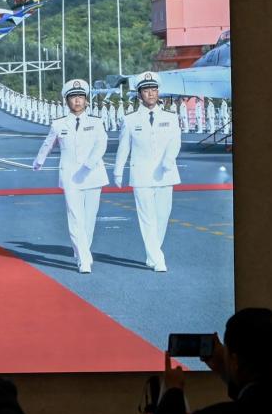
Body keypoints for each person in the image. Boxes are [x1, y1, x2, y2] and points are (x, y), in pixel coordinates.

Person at [32, 78, 108, 273]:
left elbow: (101, 145)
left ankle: (83, 249)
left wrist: (90, 163)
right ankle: (83, 258)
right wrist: (39, 161)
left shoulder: (96, 122)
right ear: (66, 100)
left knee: (89, 218)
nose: (77, 101)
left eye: (81, 97)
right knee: (75, 217)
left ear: (86, 100)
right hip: (70, 176)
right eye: (73, 97)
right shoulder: (59, 124)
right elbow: (48, 143)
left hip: (93, 175)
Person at [113, 71, 181, 272]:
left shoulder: (171, 117)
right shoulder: (130, 120)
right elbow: (123, 148)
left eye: (154, 90)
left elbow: (175, 142)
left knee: (162, 217)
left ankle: (153, 253)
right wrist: (118, 172)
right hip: (141, 175)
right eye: (146, 91)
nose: (151, 94)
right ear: (139, 94)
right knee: (147, 218)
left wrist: (169, 160)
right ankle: (158, 259)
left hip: (165, 173)